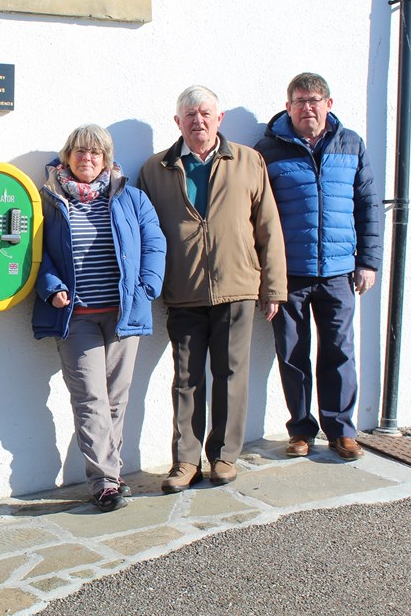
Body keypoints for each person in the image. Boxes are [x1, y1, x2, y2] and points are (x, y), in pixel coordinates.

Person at [136, 86, 287, 494]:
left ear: (218, 119)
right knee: (186, 379)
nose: (198, 121)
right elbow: (143, 234)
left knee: (232, 374)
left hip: (238, 285)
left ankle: (223, 455)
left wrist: (273, 288)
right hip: (183, 289)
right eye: (189, 115)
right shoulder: (155, 169)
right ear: (177, 122)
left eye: (205, 113)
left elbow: (268, 227)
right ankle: (186, 460)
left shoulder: (248, 161)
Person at [32, 124, 165, 511]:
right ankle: (105, 481)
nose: (87, 158)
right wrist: (51, 286)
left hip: (123, 313)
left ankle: (112, 472)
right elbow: (35, 253)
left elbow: (154, 240)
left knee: (116, 399)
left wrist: (148, 285)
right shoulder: (49, 201)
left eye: (95, 152)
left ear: (106, 159)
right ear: (67, 156)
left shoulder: (131, 197)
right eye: (79, 151)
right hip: (76, 317)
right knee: (91, 397)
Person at [254, 73, 382, 461]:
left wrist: (369, 262)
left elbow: (368, 206)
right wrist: (266, 274)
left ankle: (341, 430)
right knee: (292, 353)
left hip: (339, 272)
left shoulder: (351, 144)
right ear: (288, 106)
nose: (307, 108)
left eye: (314, 100)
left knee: (340, 352)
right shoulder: (268, 150)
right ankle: (301, 430)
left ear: (329, 104)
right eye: (299, 101)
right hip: (290, 274)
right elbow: (258, 215)